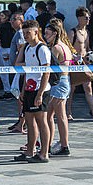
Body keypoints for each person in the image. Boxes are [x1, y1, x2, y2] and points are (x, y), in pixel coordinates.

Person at [14, 20, 51, 163]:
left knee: (42, 122)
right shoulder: (28, 48)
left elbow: (46, 72)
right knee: (29, 121)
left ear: (36, 32)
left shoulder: (42, 49)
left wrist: (40, 93)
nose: (25, 36)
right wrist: (23, 90)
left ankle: (44, 153)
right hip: (29, 89)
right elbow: (27, 71)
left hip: (40, 89)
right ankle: (30, 150)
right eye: (23, 33)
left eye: (28, 33)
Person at [67, 7, 93, 120]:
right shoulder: (72, 32)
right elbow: (69, 49)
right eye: (86, 18)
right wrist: (76, 57)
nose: (88, 20)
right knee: (71, 89)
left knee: (88, 87)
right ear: (79, 18)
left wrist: (92, 56)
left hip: (85, 63)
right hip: (74, 63)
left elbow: (87, 48)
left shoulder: (86, 32)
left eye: (89, 18)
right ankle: (68, 112)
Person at [44, 19, 73, 157]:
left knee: (60, 115)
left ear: (55, 33)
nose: (45, 36)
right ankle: (48, 144)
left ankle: (64, 145)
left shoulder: (56, 48)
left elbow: (48, 67)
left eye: (47, 33)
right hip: (64, 81)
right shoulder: (65, 46)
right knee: (49, 115)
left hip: (59, 82)